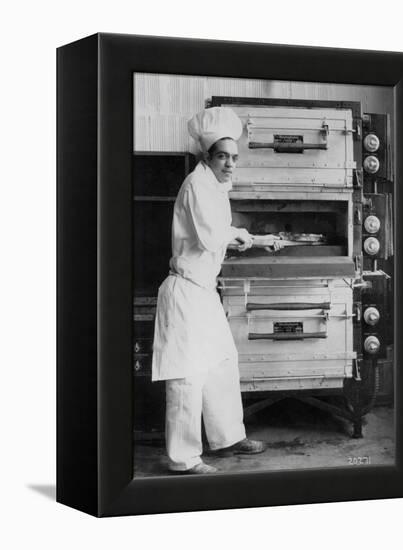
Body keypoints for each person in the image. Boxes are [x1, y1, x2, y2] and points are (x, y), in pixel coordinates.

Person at [152, 106, 265, 474]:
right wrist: (244, 236)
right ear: (207, 157)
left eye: (234, 157)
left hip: (203, 292)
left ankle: (228, 437)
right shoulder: (197, 184)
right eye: (223, 157)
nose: (230, 164)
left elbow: (220, 233)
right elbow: (210, 236)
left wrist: (256, 238)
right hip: (184, 292)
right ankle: (183, 459)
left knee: (222, 363)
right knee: (187, 377)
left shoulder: (215, 187)